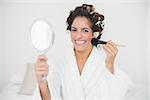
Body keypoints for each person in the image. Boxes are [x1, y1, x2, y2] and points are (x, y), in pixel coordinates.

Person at [34, 4, 135, 100]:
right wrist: (41, 82)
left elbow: (112, 96)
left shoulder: (106, 60)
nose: (78, 36)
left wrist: (109, 64)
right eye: (74, 30)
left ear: (94, 34)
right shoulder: (59, 62)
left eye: (85, 30)